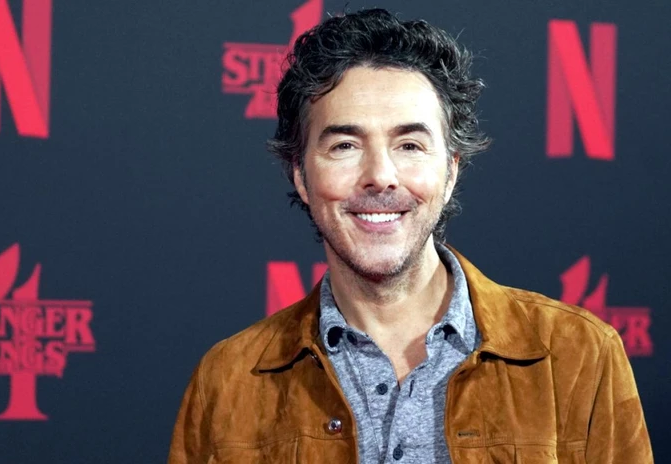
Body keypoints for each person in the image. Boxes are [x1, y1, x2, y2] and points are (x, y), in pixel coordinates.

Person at [168, 8, 652, 463]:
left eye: (410, 145)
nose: (380, 176)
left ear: (451, 172)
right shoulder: (227, 382)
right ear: (301, 175)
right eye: (344, 145)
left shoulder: (578, 356)